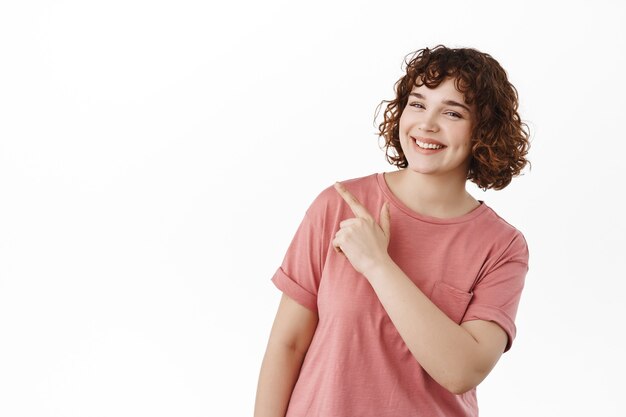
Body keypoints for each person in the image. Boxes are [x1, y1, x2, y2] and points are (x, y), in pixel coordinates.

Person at [254, 45, 530, 417]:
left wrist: (377, 265)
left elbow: (462, 370)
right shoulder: (338, 205)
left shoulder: (501, 246)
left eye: (452, 112)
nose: (426, 124)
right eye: (417, 104)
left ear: (485, 130)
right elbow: (288, 345)